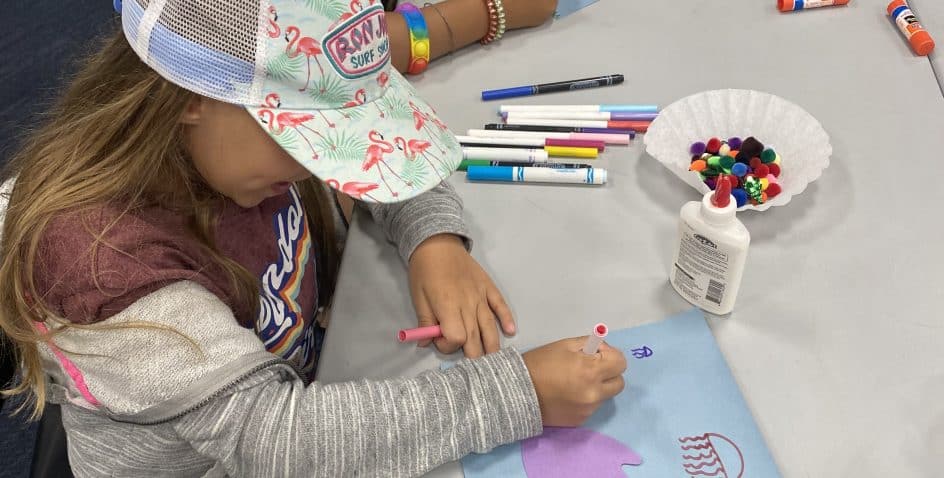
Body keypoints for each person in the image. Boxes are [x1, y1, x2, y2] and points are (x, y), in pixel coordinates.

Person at [0, 1, 626, 476]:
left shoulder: (231, 148)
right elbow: (275, 439)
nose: (327, 168)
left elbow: (370, 134)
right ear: (191, 96)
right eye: (308, 139)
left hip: (306, 359)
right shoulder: (107, 265)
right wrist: (521, 394)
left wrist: (431, 236)